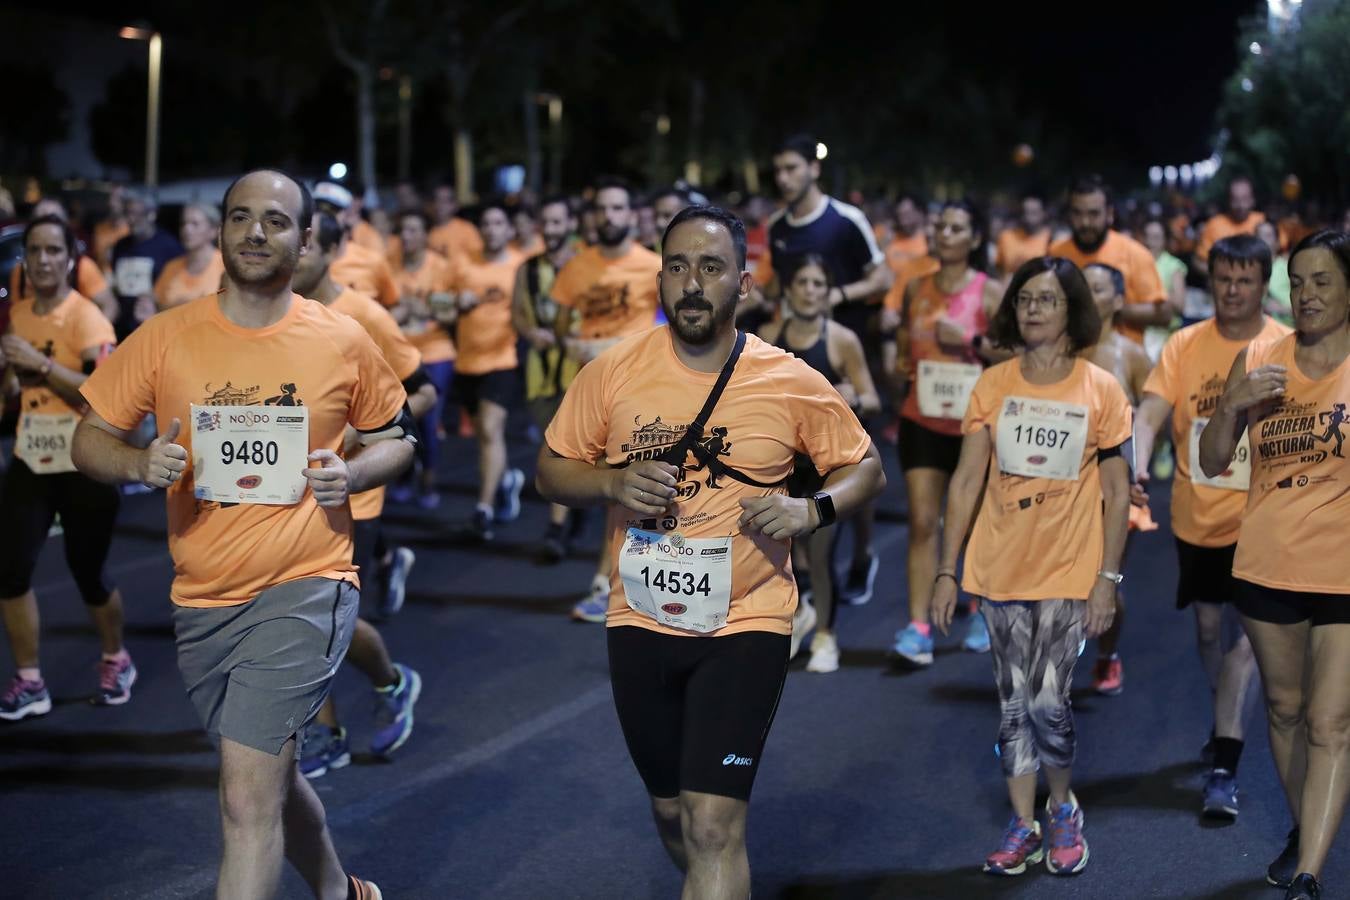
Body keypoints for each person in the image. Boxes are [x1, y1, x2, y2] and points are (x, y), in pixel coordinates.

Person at [71, 169, 410, 900]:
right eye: (241, 218)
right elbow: (88, 437)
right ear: (221, 231)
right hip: (202, 597)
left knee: (243, 800)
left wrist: (351, 475)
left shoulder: (343, 338)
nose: (256, 232)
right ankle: (344, 892)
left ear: (307, 238)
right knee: (274, 781)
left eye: (277, 221)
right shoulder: (165, 337)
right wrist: (136, 459)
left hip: (306, 583)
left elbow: (395, 438)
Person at [537, 205, 885, 899]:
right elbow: (551, 468)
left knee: (715, 827)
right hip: (640, 619)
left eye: (710, 267)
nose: (691, 283)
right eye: (676, 267)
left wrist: (808, 509)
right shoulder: (613, 372)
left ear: (744, 285)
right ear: (659, 281)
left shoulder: (787, 377)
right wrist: (610, 480)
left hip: (747, 623)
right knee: (673, 813)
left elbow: (865, 465)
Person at [933, 256, 1131, 878]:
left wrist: (1108, 581)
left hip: (1070, 568)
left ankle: (1063, 806)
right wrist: (947, 569)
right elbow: (966, 480)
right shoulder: (992, 385)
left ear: (1072, 309)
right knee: (1013, 704)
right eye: (1024, 299)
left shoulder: (1101, 388)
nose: (1034, 309)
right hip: (1000, 568)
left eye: (1047, 299)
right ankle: (1023, 823)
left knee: (1049, 700)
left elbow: (1120, 494)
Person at [1199, 229, 1350, 900]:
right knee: (1285, 711)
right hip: (1267, 565)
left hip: (1345, 569)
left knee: (1330, 721)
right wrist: (1232, 403)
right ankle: (1304, 831)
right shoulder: (1259, 357)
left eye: (1323, 280)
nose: (1308, 293)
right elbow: (1210, 460)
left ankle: (1311, 876)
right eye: (1300, 280)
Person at [1132, 234, 1290, 822]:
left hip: (1263, 521)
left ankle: (1224, 766)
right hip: (1198, 518)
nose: (1232, 290)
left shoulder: (1283, 347)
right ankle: (1223, 712)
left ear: (1263, 284)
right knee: (1208, 633)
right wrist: (1138, 460)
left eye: (1245, 280)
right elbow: (1149, 412)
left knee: (1244, 647)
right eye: (1223, 278)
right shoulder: (1184, 344)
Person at [292, 210, 436, 777]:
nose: (290, 256)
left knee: (328, 619)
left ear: (329, 252)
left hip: (357, 492)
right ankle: (323, 731)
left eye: (303, 247)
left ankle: (392, 681)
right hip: (292, 490)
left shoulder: (363, 315)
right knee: (298, 614)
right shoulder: (277, 315)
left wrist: (363, 433)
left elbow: (420, 393)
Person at [0, 215, 130, 720]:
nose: (44, 259)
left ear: (71, 259)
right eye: (35, 250)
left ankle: (116, 657)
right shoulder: (21, 315)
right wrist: (12, 382)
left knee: (87, 571)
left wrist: (42, 363)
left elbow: (106, 398)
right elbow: (13, 385)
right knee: (10, 572)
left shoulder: (88, 319)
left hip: (84, 458)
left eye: (55, 250)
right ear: (26, 259)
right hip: (32, 457)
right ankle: (30, 678)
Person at [767, 134, 891, 605]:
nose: (784, 178)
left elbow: (882, 278)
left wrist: (835, 299)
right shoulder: (779, 226)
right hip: (798, 357)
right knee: (794, 473)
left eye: (792, 168)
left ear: (813, 170)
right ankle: (803, 580)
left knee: (855, 472)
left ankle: (862, 555)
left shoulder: (844, 220)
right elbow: (778, 286)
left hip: (844, 354)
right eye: (778, 170)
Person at [891, 201, 1005, 667]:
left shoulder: (991, 293)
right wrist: (901, 362)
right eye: (940, 225)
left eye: (956, 227)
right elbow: (904, 341)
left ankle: (979, 608)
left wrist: (972, 343)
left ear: (974, 239)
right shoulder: (915, 287)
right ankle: (919, 626)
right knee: (922, 522)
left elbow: (1015, 356)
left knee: (974, 523)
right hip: (922, 417)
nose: (944, 233)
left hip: (973, 425)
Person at [757, 254, 880, 671]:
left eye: (818, 284)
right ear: (789, 290)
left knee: (823, 554)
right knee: (783, 554)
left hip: (829, 468)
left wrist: (851, 396)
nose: (810, 291)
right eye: (803, 282)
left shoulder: (842, 339)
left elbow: (874, 399)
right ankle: (795, 616)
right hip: (784, 466)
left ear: (829, 294)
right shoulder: (770, 335)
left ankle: (826, 636)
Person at [550, 178, 662, 621]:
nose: (611, 216)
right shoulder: (576, 267)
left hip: (641, 387)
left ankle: (610, 583)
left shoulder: (652, 265)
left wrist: (621, 342)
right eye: (604, 209)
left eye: (619, 208)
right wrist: (574, 343)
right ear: (593, 216)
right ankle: (625, 580)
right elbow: (559, 324)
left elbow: (674, 321)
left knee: (626, 485)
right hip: (589, 389)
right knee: (598, 482)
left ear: (632, 216)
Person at [1079, 263, 1155, 694]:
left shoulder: (1132, 354)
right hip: (1062, 487)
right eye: (1082, 288)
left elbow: (1151, 418)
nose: (1088, 296)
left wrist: (1138, 468)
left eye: (1098, 288)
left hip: (1117, 488)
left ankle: (1107, 654)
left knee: (1105, 579)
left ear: (1118, 300)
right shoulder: (1060, 352)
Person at [434, 200, 527, 540]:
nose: (491, 229)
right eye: (486, 224)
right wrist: (456, 304)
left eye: (498, 223)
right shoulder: (462, 264)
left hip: (504, 360)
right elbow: (436, 302)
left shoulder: (520, 265)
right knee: (485, 440)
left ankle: (483, 509)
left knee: (489, 430)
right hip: (466, 362)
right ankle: (505, 480)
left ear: (509, 229)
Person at [510, 196, 582, 561]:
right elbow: (519, 313)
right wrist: (531, 333)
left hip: (581, 370)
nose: (551, 231)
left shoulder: (586, 263)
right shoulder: (530, 269)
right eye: (546, 223)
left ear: (570, 224)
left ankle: (557, 525)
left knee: (564, 447)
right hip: (542, 373)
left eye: (558, 223)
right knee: (556, 445)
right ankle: (571, 509)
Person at [1050, 175, 1168, 347]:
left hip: (1122, 364)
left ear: (1110, 214)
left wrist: (1109, 309)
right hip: (1068, 358)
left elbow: (1164, 314)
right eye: (1077, 213)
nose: (1085, 222)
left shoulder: (1135, 254)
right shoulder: (1056, 252)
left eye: (1093, 213)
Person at [390, 208, 457, 508]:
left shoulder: (440, 267)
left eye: (414, 230)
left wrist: (421, 310)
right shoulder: (389, 267)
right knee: (400, 418)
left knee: (428, 421)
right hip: (399, 354)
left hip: (436, 352)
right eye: (403, 230)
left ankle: (429, 480)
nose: (407, 236)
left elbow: (449, 313)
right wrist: (402, 311)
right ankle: (404, 474)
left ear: (425, 235)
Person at [8, 199, 120, 322]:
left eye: (53, 221)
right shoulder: (20, 271)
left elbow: (109, 306)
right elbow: (17, 313)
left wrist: (92, 335)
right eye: (39, 221)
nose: (46, 229)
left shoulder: (82, 266)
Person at [109, 189, 184, 339]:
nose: (131, 219)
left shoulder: (169, 247)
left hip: (154, 329)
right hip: (122, 329)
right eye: (128, 213)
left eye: (137, 214)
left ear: (152, 214)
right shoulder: (120, 246)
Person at [316, 182, 400, 308]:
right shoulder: (297, 259)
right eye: (317, 209)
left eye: (332, 210)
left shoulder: (371, 260)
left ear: (350, 214)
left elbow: (393, 304)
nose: (323, 218)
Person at [151, 203, 225, 314]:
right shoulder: (171, 267)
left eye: (195, 224)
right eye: (183, 223)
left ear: (213, 231)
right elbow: (155, 308)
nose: (186, 229)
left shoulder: (226, 266)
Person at [1195, 176, 1266, 266]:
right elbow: (1199, 260)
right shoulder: (1214, 225)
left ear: (1253, 199)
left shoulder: (1263, 222)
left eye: (1245, 199)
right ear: (1228, 200)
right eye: (1235, 199)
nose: (1240, 205)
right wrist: (1222, 276)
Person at [995, 191, 1053, 278]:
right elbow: (999, 269)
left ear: (1044, 213)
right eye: (1025, 212)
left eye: (1034, 213)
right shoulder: (1006, 237)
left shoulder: (1052, 240)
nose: (1028, 218)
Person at [429, 183, 484, 265]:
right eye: (437, 200)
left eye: (445, 201)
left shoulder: (467, 229)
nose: (439, 205)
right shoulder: (427, 232)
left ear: (455, 206)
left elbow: (478, 257)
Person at [1258, 219, 1293, 325]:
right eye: (1259, 236)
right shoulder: (1247, 271)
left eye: (1268, 236)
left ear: (1277, 242)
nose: (1262, 240)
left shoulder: (1289, 268)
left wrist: (1282, 310)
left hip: (1287, 330)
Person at [885, 194, 928, 275]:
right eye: (899, 215)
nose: (903, 222)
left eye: (906, 215)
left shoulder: (930, 240)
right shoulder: (892, 238)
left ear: (920, 213)